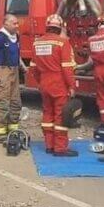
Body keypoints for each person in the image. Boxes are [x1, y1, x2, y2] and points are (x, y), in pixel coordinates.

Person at [30, 14, 78, 157]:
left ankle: (49, 145)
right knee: (60, 115)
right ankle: (60, 148)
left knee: (47, 113)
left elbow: (33, 68)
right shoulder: (62, 43)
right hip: (59, 83)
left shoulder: (36, 43)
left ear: (47, 26)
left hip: (44, 82)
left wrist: (40, 82)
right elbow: (67, 68)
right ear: (60, 28)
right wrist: (72, 86)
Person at [0, 15, 26, 142]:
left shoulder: (16, 37)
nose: (16, 25)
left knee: (15, 102)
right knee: (2, 102)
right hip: (2, 71)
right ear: (6, 24)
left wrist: (22, 66)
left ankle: (13, 130)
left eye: (17, 23)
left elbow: (16, 54)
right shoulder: (0, 37)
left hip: (14, 72)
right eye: (14, 23)